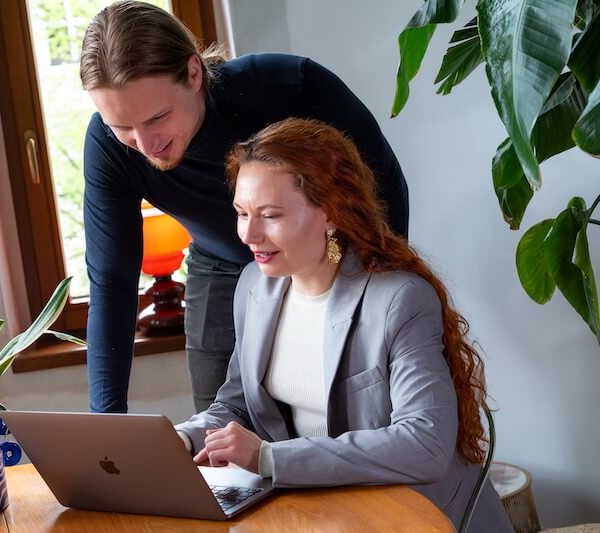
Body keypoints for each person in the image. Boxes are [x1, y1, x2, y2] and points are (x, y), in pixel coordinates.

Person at [174, 117, 513, 532]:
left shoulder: (397, 300)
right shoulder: (253, 288)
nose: (249, 234)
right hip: (328, 514)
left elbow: (424, 444)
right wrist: (182, 439)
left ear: (330, 213)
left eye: (270, 215)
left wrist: (269, 458)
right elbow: (238, 405)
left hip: (419, 517)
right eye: (242, 213)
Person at [80, 0, 409, 413]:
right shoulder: (108, 149)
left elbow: (381, 186)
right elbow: (112, 283)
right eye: (122, 127)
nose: (146, 146)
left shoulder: (290, 89)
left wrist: (380, 289)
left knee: (351, 410)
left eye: (157, 117)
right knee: (219, 429)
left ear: (194, 73)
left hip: (328, 257)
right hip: (219, 263)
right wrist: (108, 429)